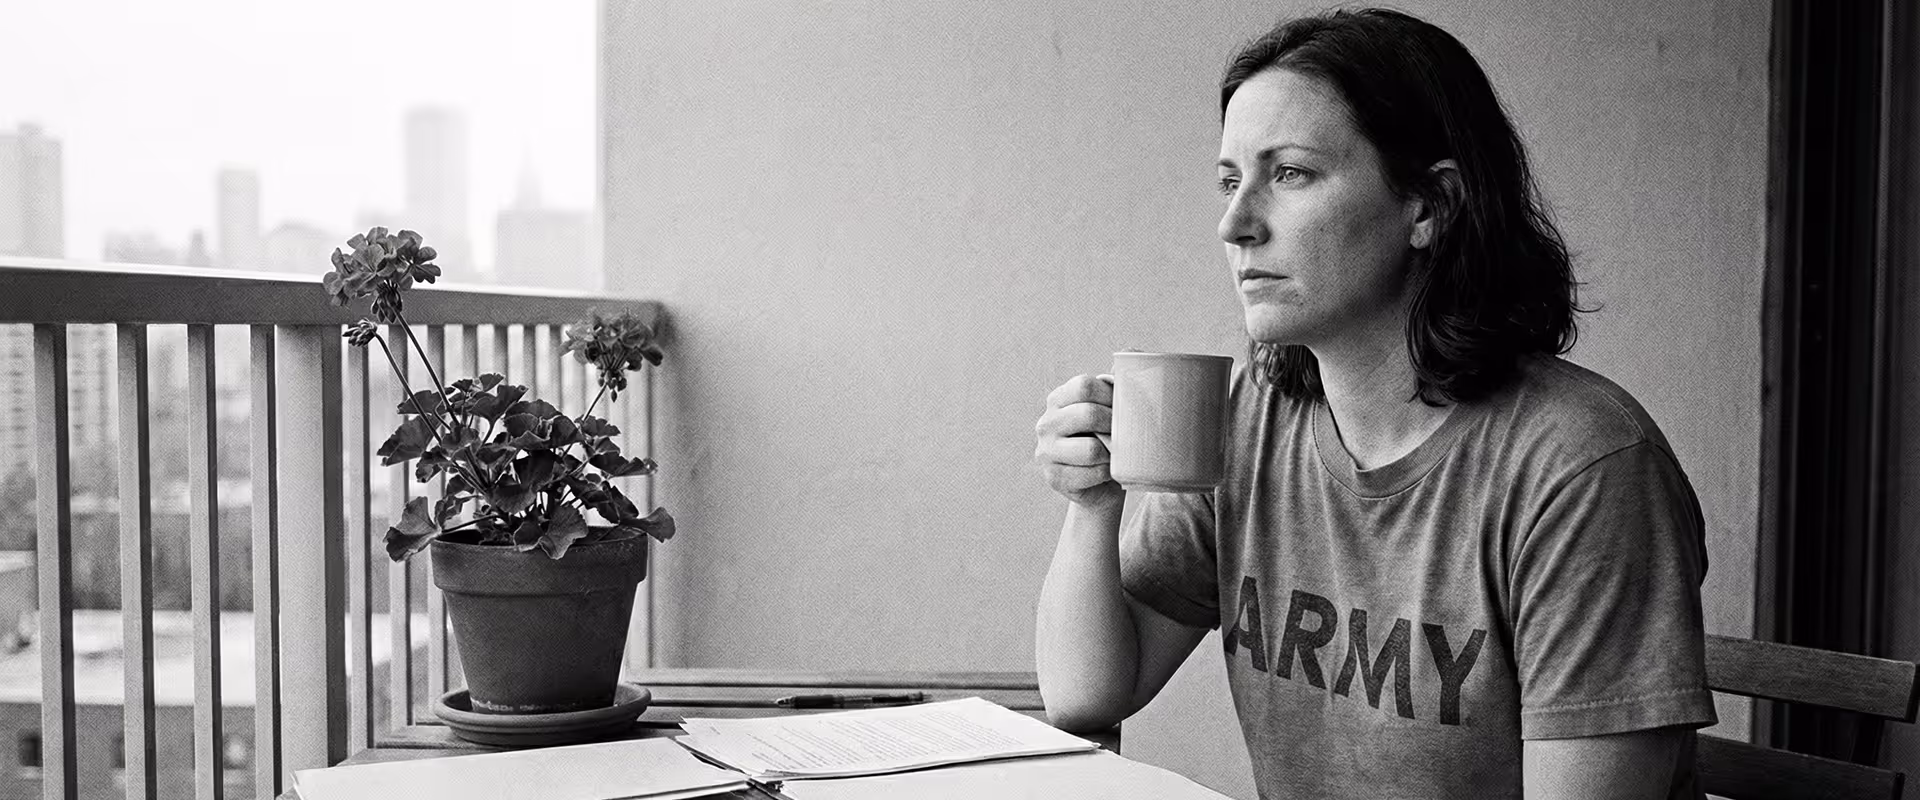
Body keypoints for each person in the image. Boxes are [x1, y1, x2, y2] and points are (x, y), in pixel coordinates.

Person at [1031, 8, 1717, 799]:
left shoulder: (1582, 469)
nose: (1235, 223)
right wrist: (1091, 504)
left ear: (1428, 206)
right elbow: (1087, 695)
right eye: (1229, 180)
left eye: (1289, 173)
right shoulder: (1254, 414)